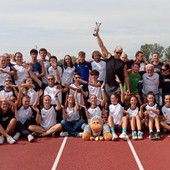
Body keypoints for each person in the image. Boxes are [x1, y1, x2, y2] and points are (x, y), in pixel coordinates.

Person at [94, 28, 130, 101]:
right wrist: (97, 35)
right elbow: (101, 46)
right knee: (107, 103)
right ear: (114, 51)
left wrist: (128, 88)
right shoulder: (109, 57)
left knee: (118, 104)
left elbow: (126, 76)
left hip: (118, 86)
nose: (119, 54)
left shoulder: (123, 64)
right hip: (108, 85)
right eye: (117, 52)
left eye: (120, 53)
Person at [107, 75, 128, 140]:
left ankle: (123, 133)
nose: (111, 99)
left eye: (112, 98)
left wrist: (120, 83)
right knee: (110, 117)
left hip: (119, 125)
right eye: (111, 98)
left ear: (117, 99)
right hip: (112, 125)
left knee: (124, 117)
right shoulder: (109, 106)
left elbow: (122, 93)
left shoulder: (121, 104)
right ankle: (113, 134)